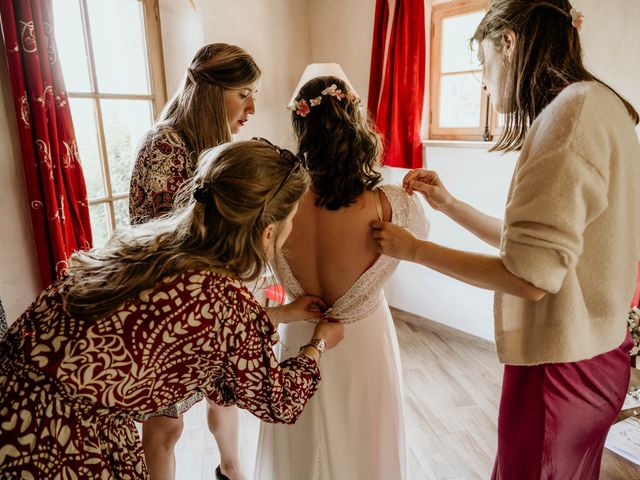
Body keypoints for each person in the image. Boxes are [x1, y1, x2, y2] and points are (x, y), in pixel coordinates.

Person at [371, 1, 640, 478]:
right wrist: (450, 205)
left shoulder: (568, 117)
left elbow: (529, 278)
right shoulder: (604, 105)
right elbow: (543, 253)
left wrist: (413, 249)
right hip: (601, 352)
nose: (482, 78)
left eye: (482, 61)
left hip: (560, 370)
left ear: (508, 42)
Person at [0, 140, 344, 479]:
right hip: (62, 443)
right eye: (292, 220)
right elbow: (278, 401)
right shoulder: (225, 301)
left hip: (12, 403)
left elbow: (186, 336)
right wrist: (318, 344)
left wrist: (281, 315)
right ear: (267, 232)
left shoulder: (149, 246)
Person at [254, 76, 428, 480]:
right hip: (362, 337)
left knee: (300, 432)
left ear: (301, 129)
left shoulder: (278, 204)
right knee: (364, 441)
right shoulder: (391, 203)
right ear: (357, 125)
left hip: (301, 330)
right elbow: (421, 238)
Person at [129, 43, 266, 480]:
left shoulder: (213, 144)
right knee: (166, 424)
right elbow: (162, 238)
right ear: (211, 92)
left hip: (204, 295)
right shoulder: (166, 145)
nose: (252, 107)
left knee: (223, 395)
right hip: (163, 299)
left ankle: (231, 470)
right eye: (243, 93)